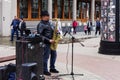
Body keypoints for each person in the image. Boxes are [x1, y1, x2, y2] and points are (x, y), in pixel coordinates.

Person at [37, 11, 59, 76]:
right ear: (43, 16)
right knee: (46, 57)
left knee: (54, 55)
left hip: (52, 42)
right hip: (46, 43)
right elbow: (39, 35)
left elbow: (52, 30)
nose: (49, 17)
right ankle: (44, 70)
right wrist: (48, 40)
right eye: (48, 16)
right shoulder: (40, 24)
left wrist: (56, 32)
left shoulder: (49, 23)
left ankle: (52, 68)